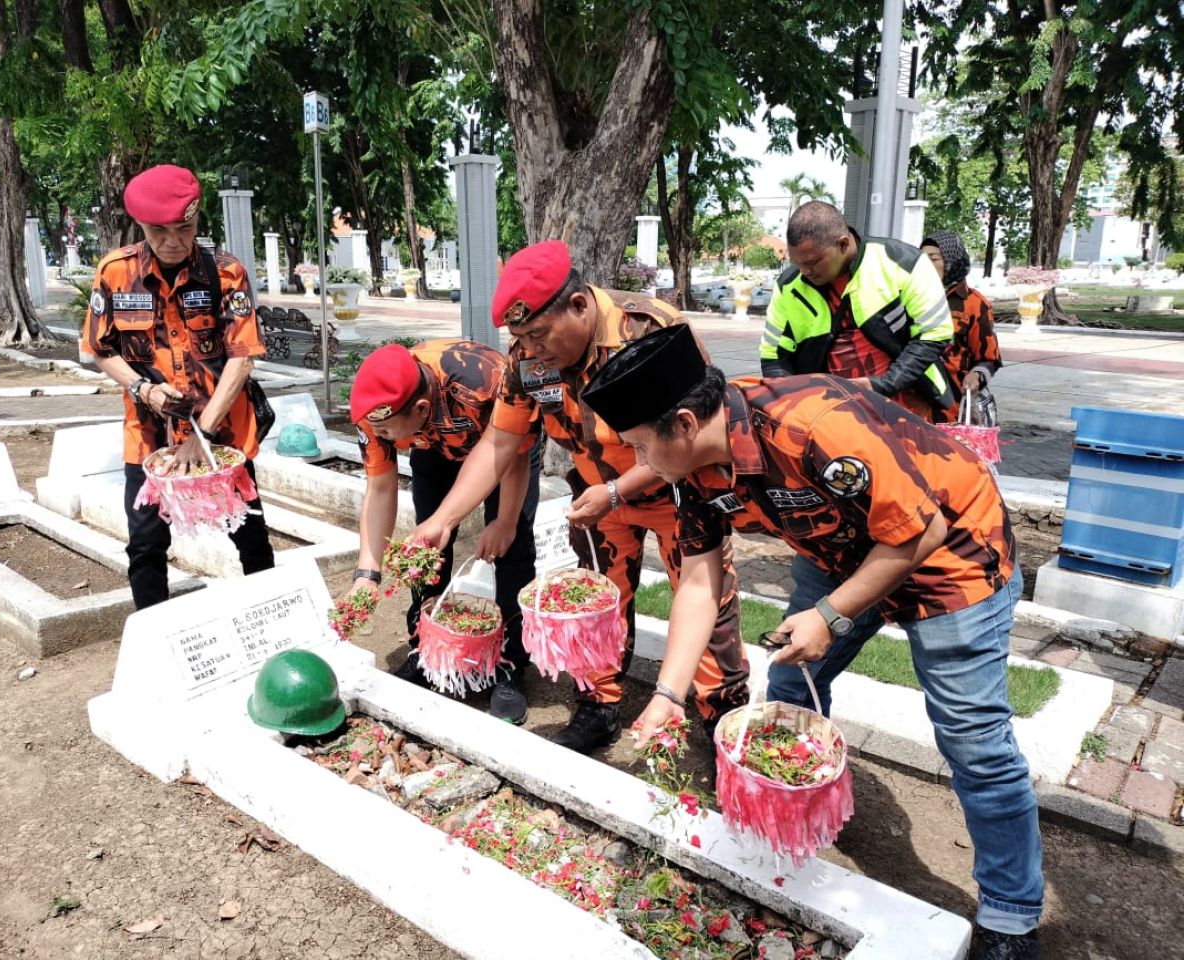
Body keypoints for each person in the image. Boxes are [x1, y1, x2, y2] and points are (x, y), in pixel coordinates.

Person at [582, 324, 1042, 960]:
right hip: (841, 547)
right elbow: (699, 580)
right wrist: (666, 694)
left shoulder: (810, 426)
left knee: (974, 738)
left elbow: (921, 531)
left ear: (684, 423)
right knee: (791, 684)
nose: (638, 464)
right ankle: (790, 811)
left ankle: (1011, 914)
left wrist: (829, 614)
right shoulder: (693, 467)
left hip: (953, 552)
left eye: (639, 446)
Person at [411, 240, 749, 754]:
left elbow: (696, 433)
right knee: (594, 605)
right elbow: (501, 442)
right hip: (598, 501)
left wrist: (617, 490)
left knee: (707, 602)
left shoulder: (651, 331)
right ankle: (598, 704)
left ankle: (719, 717)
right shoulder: (526, 362)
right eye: (520, 338)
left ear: (578, 305)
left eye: (538, 334)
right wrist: (444, 519)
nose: (531, 349)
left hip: (680, 496)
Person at [82, 164, 274, 608]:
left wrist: (202, 434)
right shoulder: (116, 272)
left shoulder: (225, 273)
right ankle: (155, 631)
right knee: (146, 544)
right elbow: (99, 348)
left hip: (221, 431)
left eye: (184, 229)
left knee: (250, 535)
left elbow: (242, 357)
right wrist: (142, 389)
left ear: (197, 218)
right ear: (141, 226)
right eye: (159, 231)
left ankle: (271, 625)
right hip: (149, 436)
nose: (172, 242)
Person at [348, 340, 541, 724]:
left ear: (420, 408)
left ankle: (510, 663)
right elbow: (381, 487)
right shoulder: (375, 410)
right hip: (434, 448)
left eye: (385, 430)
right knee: (427, 546)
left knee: (512, 546)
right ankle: (426, 647)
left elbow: (512, 453)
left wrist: (503, 522)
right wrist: (367, 573)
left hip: (503, 447)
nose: (380, 436)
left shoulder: (483, 382)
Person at [762, 201, 955, 421]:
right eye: (797, 263)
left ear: (843, 244)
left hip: (906, 409)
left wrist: (885, 384)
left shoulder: (903, 263)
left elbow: (935, 333)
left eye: (813, 262)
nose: (805, 271)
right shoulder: (789, 285)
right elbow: (773, 356)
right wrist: (791, 402)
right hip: (828, 417)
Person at [920, 231, 1002, 424]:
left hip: (951, 407)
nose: (925, 265)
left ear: (952, 261)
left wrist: (976, 376)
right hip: (909, 406)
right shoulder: (908, 297)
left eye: (933, 258)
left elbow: (989, 359)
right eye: (921, 259)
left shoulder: (974, 304)